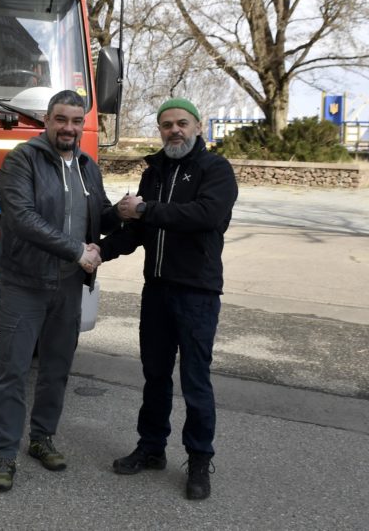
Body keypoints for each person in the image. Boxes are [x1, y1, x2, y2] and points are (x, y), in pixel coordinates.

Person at [100, 97, 238, 501]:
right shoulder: (155, 172)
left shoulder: (216, 169)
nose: (174, 130)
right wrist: (94, 253)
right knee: (155, 376)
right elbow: (137, 233)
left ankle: (198, 460)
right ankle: (151, 447)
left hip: (197, 293)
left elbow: (205, 216)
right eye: (166, 125)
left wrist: (146, 209)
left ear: (198, 126)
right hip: (157, 291)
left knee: (195, 381)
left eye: (181, 123)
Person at [0, 89, 120, 493]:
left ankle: (42, 439)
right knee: (12, 371)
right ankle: (4, 455)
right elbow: (23, 218)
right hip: (24, 283)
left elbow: (99, 214)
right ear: (46, 121)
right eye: (61, 119)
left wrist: (125, 213)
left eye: (76, 121)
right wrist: (77, 250)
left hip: (67, 285)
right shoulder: (21, 160)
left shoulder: (87, 166)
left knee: (56, 369)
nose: (69, 128)